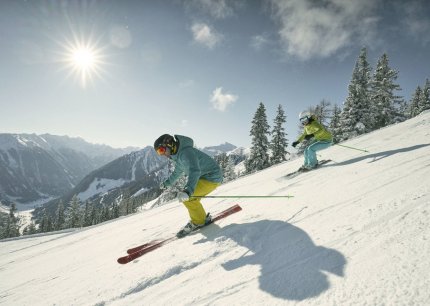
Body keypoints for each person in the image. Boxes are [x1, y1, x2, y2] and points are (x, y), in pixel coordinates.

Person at [154, 134, 223, 237]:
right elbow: (177, 172)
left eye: (162, 150)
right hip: (205, 177)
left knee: (189, 198)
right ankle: (201, 218)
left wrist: (188, 191)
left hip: (211, 177)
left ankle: (199, 221)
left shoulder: (186, 153)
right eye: (159, 152)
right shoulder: (178, 155)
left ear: (169, 144)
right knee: (191, 199)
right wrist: (167, 183)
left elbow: (195, 170)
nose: (162, 154)